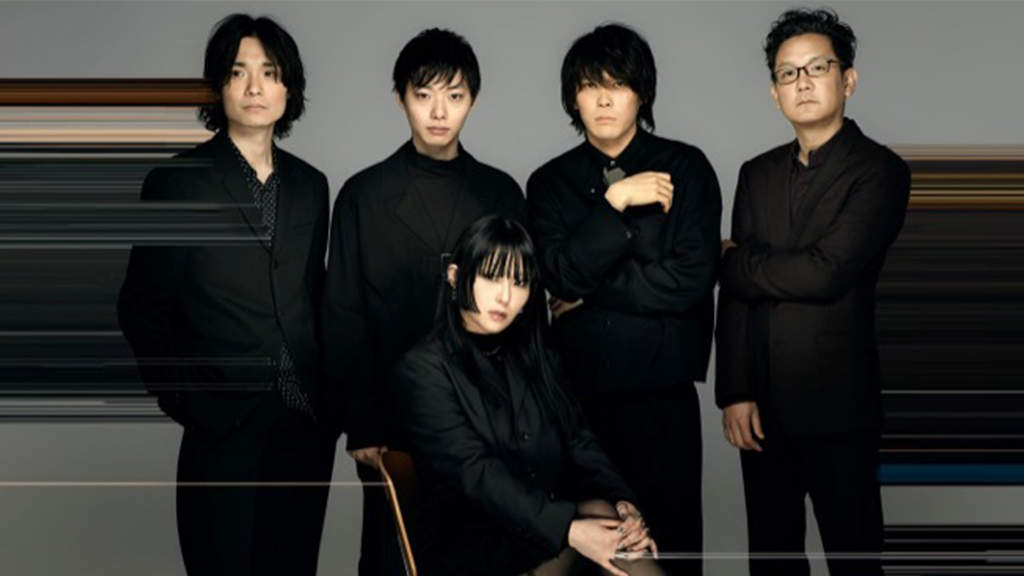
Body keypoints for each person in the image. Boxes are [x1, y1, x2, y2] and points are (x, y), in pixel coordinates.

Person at [118, 14, 332, 576]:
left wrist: (330, 404)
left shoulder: (312, 186)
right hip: (220, 425)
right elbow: (140, 307)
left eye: (269, 72)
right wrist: (185, 399)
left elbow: (313, 295)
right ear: (219, 85)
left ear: (289, 87)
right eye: (239, 72)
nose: (255, 87)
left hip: (303, 425)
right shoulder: (176, 183)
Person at [716, 8, 911, 576]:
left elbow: (827, 272)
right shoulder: (755, 173)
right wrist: (734, 391)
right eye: (787, 73)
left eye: (816, 68)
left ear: (847, 80)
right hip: (761, 410)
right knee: (772, 560)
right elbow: (737, 300)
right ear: (774, 93)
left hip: (839, 407)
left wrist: (735, 263)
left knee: (855, 561)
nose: (801, 82)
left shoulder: (880, 171)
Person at [322, 28, 525, 575]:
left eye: (454, 96)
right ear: (400, 98)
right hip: (391, 423)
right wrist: (362, 424)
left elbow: (525, 318)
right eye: (423, 94)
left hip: (486, 423)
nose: (439, 112)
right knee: (391, 559)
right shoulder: (363, 194)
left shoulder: (501, 193)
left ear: (472, 100)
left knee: (482, 558)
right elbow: (343, 315)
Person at [526, 23, 721, 575]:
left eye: (618, 84)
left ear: (642, 92)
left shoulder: (687, 167)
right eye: (590, 86)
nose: (604, 99)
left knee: (671, 549)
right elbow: (558, 276)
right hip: (577, 403)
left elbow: (690, 280)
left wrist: (588, 294)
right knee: (589, 554)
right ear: (573, 97)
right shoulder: (549, 183)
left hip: (664, 397)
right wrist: (614, 202)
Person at [392, 215, 663, 576]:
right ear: (455, 277)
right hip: (471, 547)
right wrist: (569, 530)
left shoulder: (534, 354)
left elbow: (578, 439)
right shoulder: (423, 368)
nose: (505, 296)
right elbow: (475, 473)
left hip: (536, 532)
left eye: (519, 282)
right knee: (601, 528)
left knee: (610, 519)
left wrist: (622, 500)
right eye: (491, 277)